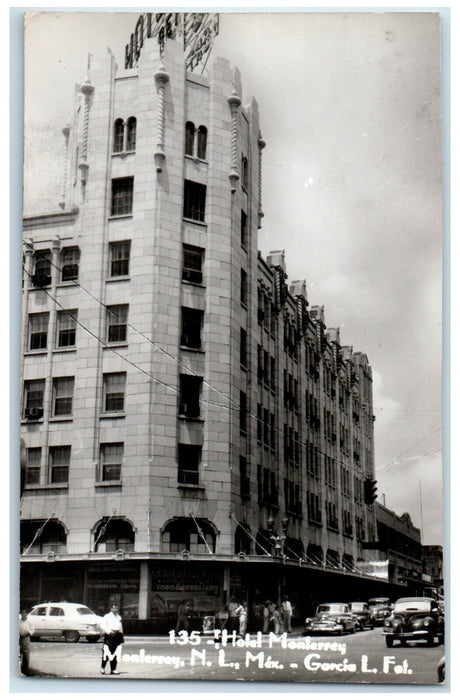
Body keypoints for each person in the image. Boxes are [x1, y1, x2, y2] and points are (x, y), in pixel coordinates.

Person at [100, 602, 124, 675]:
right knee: (107, 652)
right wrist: (109, 632)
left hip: (117, 635)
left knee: (115, 653)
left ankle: (113, 669)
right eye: (113, 608)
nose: (115, 609)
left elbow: (120, 627)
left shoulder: (119, 617)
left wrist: (121, 635)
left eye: (116, 608)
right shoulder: (107, 616)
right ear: (111, 608)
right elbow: (102, 625)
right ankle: (102, 668)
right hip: (110, 635)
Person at [19, 610, 34, 675]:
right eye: (22, 613)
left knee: (26, 653)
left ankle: (25, 668)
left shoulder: (29, 622)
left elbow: (32, 629)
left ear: (26, 614)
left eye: (25, 613)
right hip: (20, 637)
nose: (23, 615)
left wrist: (29, 633)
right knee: (20, 652)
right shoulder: (18, 622)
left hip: (27, 637)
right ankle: (19, 669)